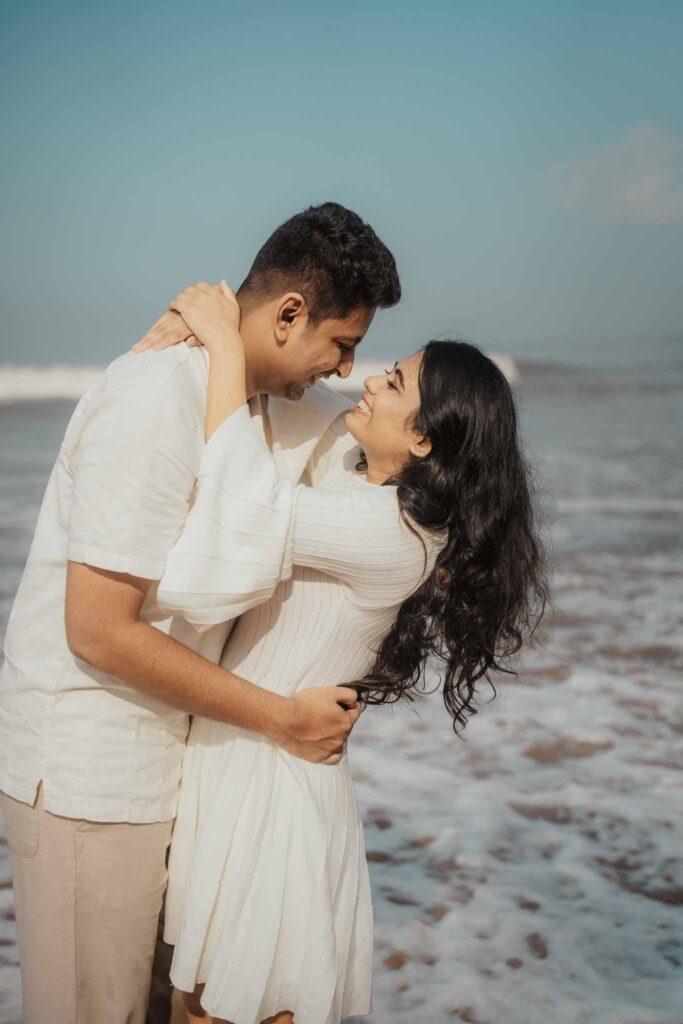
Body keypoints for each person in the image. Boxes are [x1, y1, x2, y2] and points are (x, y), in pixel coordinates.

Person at [0, 202, 401, 1024]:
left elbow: (404, 457)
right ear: (289, 314)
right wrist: (280, 720)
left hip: (169, 774)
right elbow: (98, 628)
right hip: (91, 777)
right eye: (342, 343)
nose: (343, 370)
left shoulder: (265, 407)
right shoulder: (154, 399)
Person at [140, 282, 548, 1024]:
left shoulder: (390, 536)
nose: (367, 379)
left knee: (236, 1006)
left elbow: (243, 504)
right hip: (246, 761)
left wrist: (227, 341)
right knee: (204, 1002)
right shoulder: (365, 491)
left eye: (392, 383)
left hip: (272, 790)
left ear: (423, 438)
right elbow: (292, 417)